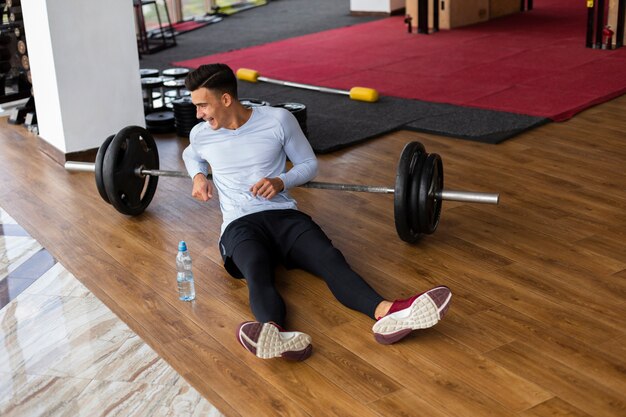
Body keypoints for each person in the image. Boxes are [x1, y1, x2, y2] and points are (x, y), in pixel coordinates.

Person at [182, 63, 451, 361]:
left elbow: (308, 165)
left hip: (283, 215)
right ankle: (274, 333)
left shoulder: (278, 120)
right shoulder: (201, 134)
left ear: (226, 99)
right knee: (257, 269)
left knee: (329, 258)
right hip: (239, 224)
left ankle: (388, 314)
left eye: (202, 105)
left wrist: (281, 180)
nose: (199, 114)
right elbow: (191, 154)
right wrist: (197, 175)